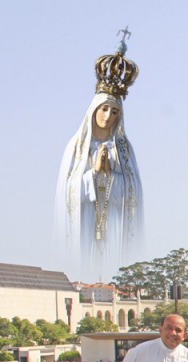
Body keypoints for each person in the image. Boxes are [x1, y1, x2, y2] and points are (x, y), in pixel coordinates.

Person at [54, 38, 142, 279]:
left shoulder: (123, 148)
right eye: (104, 109)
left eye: (114, 112)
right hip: (84, 226)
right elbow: (67, 191)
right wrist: (92, 174)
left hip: (112, 228)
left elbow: (132, 194)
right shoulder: (77, 146)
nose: (108, 116)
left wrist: (111, 176)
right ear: (93, 110)